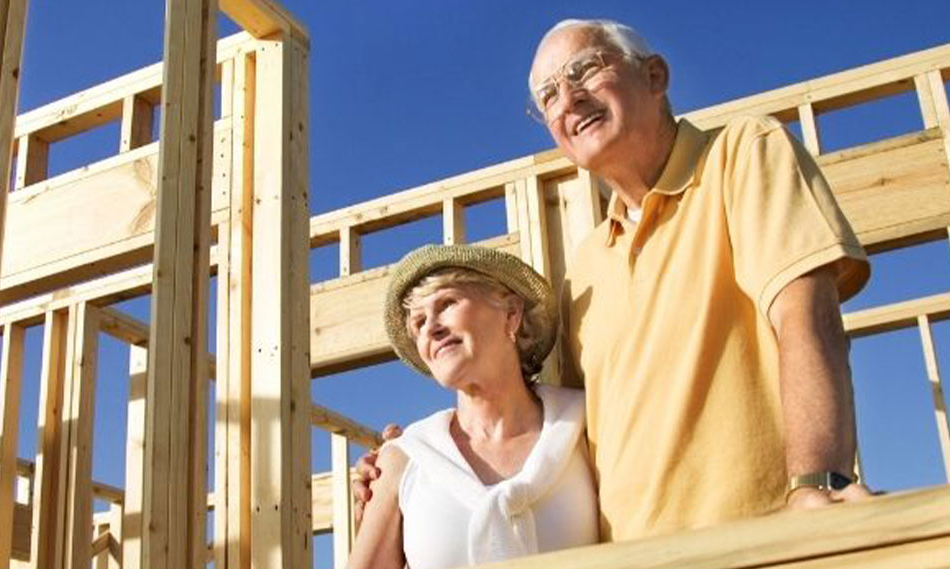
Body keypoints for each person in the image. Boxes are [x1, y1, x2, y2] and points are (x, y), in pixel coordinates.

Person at [358, 18, 874, 542]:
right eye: (548, 95)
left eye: (584, 70)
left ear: (654, 77)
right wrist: (414, 466)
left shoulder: (742, 155)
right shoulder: (587, 267)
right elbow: (549, 430)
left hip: (758, 539)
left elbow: (806, 318)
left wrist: (818, 482)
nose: (568, 99)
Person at [345, 245, 599, 569]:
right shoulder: (403, 457)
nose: (430, 328)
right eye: (419, 322)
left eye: (447, 303)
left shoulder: (585, 426)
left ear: (511, 314)